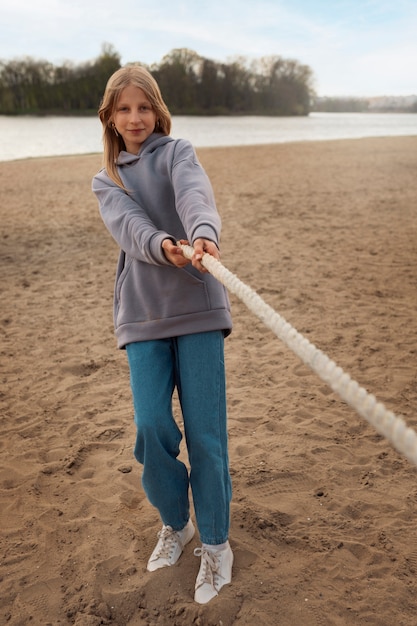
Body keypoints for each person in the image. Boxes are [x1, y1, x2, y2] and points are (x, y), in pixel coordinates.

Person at [92, 65, 233, 604]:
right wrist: (165, 245)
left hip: (197, 304)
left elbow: (195, 192)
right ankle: (178, 524)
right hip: (144, 313)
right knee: (152, 428)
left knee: (206, 436)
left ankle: (216, 544)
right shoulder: (108, 179)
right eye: (124, 109)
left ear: (158, 111)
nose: (135, 118)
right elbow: (130, 228)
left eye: (144, 107)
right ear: (109, 116)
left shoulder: (178, 152)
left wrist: (201, 235)